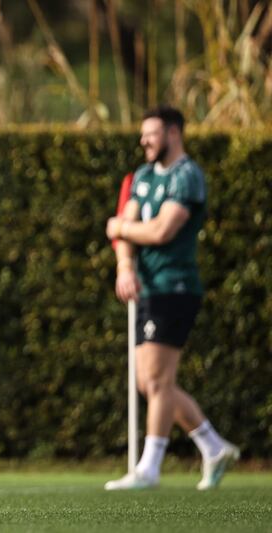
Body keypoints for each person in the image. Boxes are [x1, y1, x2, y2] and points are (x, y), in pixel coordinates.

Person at [104, 106, 239, 490]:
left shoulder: (187, 176)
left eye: (152, 133)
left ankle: (149, 469)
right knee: (150, 383)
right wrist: (124, 267)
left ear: (174, 133)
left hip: (175, 287)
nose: (144, 141)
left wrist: (123, 227)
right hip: (146, 288)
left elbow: (162, 231)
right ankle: (212, 446)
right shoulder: (144, 176)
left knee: (158, 379)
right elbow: (125, 235)